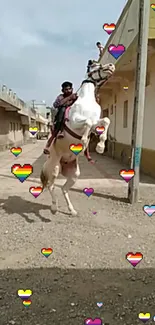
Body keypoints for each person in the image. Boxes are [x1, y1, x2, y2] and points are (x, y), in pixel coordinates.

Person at [44, 81, 78, 154]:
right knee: (62, 109)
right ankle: (49, 145)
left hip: (74, 115)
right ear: (63, 90)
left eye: (69, 89)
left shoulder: (76, 96)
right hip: (61, 117)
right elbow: (56, 105)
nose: (68, 91)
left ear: (72, 89)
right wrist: (69, 98)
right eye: (66, 89)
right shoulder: (60, 97)